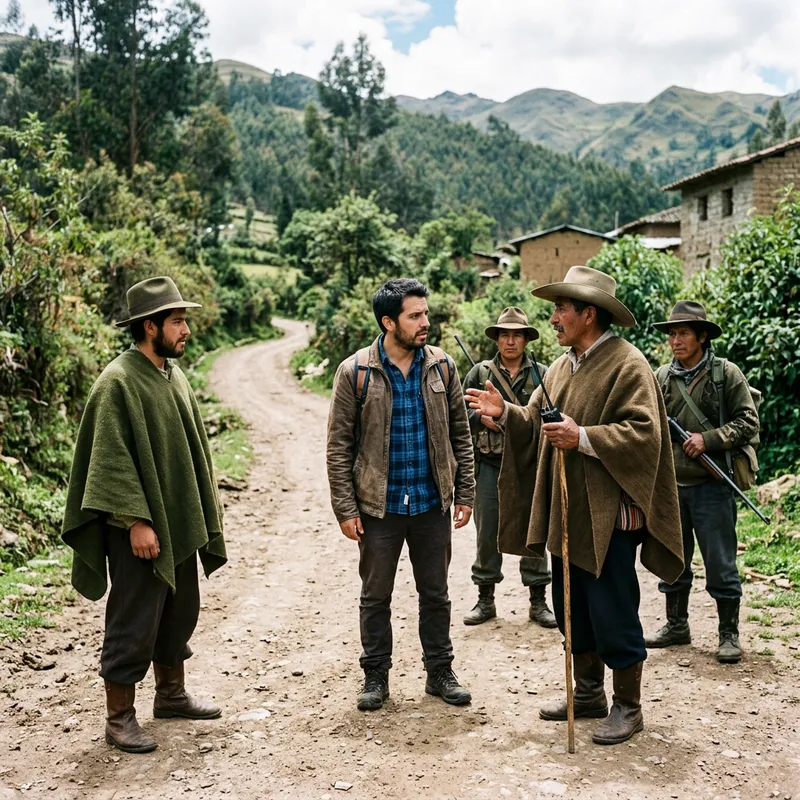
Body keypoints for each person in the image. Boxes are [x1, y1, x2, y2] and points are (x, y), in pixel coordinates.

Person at [467, 266, 684, 745]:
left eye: (562, 308)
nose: (555, 317)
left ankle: (629, 706)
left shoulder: (629, 365)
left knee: (612, 608)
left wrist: (583, 437)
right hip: (569, 513)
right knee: (573, 608)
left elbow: (646, 435)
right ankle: (587, 693)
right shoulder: (566, 365)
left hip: (608, 516)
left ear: (589, 314)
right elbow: (542, 420)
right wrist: (507, 413)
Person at [62, 276, 227, 754]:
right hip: (136, 529)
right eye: (177, 321)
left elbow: (186, 452)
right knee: (134, 620)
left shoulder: (171, 375)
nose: (186, 330)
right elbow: (109, 460)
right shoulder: (117, 381)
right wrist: (136, 520)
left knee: (179, 612)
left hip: (174, 522)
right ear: (150, 326)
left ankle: (171, 695)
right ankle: (119, 718)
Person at [326, 278, 475, 711]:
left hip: (431, 503)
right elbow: (339, 446)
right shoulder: (355, 372)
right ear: (389, 322)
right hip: (379, 507)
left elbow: (459, 434)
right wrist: (345, 508)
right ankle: (375, 676)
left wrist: (463, 491)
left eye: (425, 313)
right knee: (375, 596)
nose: (425, 322)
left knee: (437, 595)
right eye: (415, 316)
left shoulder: (442, 366)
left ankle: (439, 672)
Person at [646, 301, 759, 663]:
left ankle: (729, 634)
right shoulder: (661, 377)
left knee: (720, 562)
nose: (676, 341)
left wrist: (706, 440)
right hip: (671, 486)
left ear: (702, 336)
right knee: (673, 559)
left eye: (683, 333)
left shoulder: (726, 374)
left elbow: (748, 422)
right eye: (672, 334)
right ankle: (676, 625)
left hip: (713, 485)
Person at [461, 307, 557, 628]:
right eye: (505, 335)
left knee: (534, 531)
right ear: (498, 339)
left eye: (517, 335)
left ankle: (538, 601)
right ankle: (485, 599)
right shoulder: (479, 373)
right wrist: (483, 419)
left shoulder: (542, 374)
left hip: (528, 465)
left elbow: (551, 415)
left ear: (526, 339)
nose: (510, 341)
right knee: (487, 532)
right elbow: (461, 415)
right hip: (489, 464)